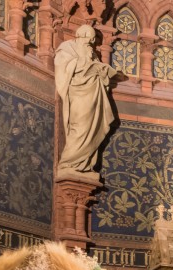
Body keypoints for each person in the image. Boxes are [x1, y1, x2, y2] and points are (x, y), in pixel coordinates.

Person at [54, 24, 117, 175]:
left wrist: (102, 72)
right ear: (79, 36)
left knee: (93, 128)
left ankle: (85, 164)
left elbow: (102, 78)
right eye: (87, 38)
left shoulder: (92, 54)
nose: (90, 42)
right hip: (78, 94)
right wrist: (84, 63)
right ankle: (69, 163)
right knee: (79, 126)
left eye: (92, 40)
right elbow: (63, 66)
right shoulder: (67, 47)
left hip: (94, 96)